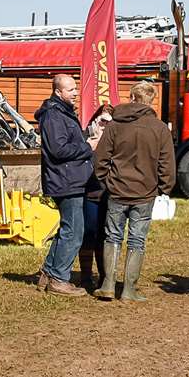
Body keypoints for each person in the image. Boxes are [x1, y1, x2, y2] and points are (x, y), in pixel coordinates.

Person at [92, 81, 174, 302]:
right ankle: (129, 289)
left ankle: (108, 284)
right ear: (151, 101)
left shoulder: (115, 125)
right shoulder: (159, 129)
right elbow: (167, 164)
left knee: (112, 236)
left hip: (117, 190)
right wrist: (164, 188)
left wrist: (107, 181)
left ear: (131, 97)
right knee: (137, 239)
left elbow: (100, 159)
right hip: (145, 193)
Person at [34, 73, 95, 297]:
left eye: (76, 88)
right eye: (71, 90)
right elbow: (58, 150)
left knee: (68, 228)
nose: (76, 93)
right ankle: (59, 279)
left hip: (70, 179)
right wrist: (88, 146)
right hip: (65, 180)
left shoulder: (62, 113)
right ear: (58, 92)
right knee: (74, 231)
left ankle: (49, 272)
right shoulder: (53, 116)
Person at [78, 104, 113, 294]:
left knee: (105, 236)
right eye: (102, 121)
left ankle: (104, 275)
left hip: (108, 194)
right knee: (88, 235)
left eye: (109, 122)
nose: (104, 126)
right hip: (89, 193)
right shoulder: (86, 139)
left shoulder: (115, 140)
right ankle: (85, 275)